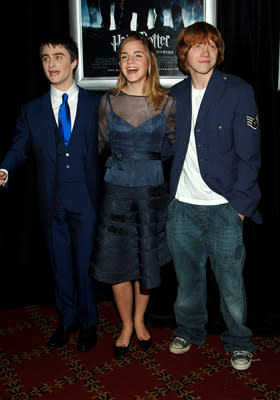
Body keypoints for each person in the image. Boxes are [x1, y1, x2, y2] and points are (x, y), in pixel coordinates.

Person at [166, 22, 261, 371]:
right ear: (184, 54)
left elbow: (250, 156)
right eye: (196, 46)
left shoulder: (238, 91)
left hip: (223, 208)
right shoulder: (173, 95)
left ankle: (239, 341)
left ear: (218, 52)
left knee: (231, 286)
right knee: (187, 281)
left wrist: (239, 207)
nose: (204, 52)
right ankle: (189, 330)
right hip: (182, 209)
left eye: (210, 46)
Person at [0, 37, 100, 352]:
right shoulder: (31, 111)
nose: (51, 64)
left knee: (85, 265)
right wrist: (5, 169)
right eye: (45, 58)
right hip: (51, 200)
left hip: (86, 199)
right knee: (60, 264)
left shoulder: (97, 104)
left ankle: (88, 324)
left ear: (73, 62)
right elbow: (19, 147)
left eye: (58, 56)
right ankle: (66, 321)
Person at [89, 32, 175, 357]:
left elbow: (176, 151)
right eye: (124, 56)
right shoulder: (107, 102)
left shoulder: (167, 103)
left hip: (151, 195)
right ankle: (125, 324)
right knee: (117, 263)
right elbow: (94, 147)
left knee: (145, 262)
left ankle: (140, 320)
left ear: (149, 60)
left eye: (137, 55)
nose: (130, 62)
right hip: (116, 195)